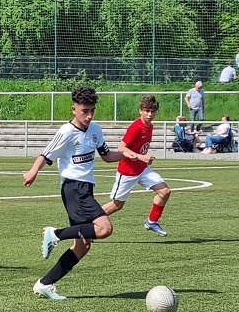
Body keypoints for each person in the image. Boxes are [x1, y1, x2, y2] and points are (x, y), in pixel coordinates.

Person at [23, 86, 129, 300]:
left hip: (85, 188)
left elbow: (107, 155)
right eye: (84, 111)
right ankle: (55, 233)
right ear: (74, 109)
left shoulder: (95, 129)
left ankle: (45, 283)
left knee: (82, 246)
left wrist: (127, 155)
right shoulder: (66, 132)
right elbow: (45, 155)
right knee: (104, 228)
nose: (89, 116)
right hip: (73, 188)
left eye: (92, 111)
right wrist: (33, 171)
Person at [101, 95, 172, 237]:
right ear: (140, 110)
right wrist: (141, 157)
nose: (150, 114)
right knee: (117, 205)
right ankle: (89, 224)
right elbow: (121, 148)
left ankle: (151, 221)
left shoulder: (150, 126)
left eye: (153, 111)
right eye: (147, 111)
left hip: (142, 169)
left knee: (164, 191)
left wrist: (143, 159)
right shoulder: (136, 127)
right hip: (127, 172)